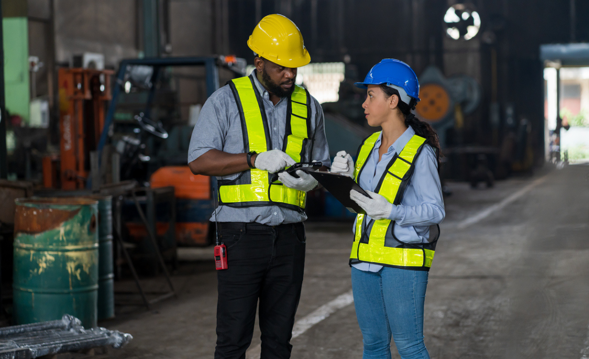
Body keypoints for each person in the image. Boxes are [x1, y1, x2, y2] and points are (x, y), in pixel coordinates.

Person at [187, 14, 330, 359]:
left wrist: (316, 178)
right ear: (259, 61)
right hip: (240, 234)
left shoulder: (310, 106)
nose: (290, 75)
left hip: (290, 238)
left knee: (279, 341)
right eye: (282, 67)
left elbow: (319, 164)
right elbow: (198, 160)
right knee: (234, 339)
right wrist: (251, 160)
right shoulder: (225, 101)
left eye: (295, 68)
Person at [330, 59, 445, 359]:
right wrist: (341, 179)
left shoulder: (420, 152)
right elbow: (360, 201)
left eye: (371, 95)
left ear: (393, 100)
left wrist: (393, 212)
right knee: (374, 345)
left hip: (402, 263)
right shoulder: (368, 145)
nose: (364, 103)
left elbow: (435, 211)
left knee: (409, 346)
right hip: (363, 261)